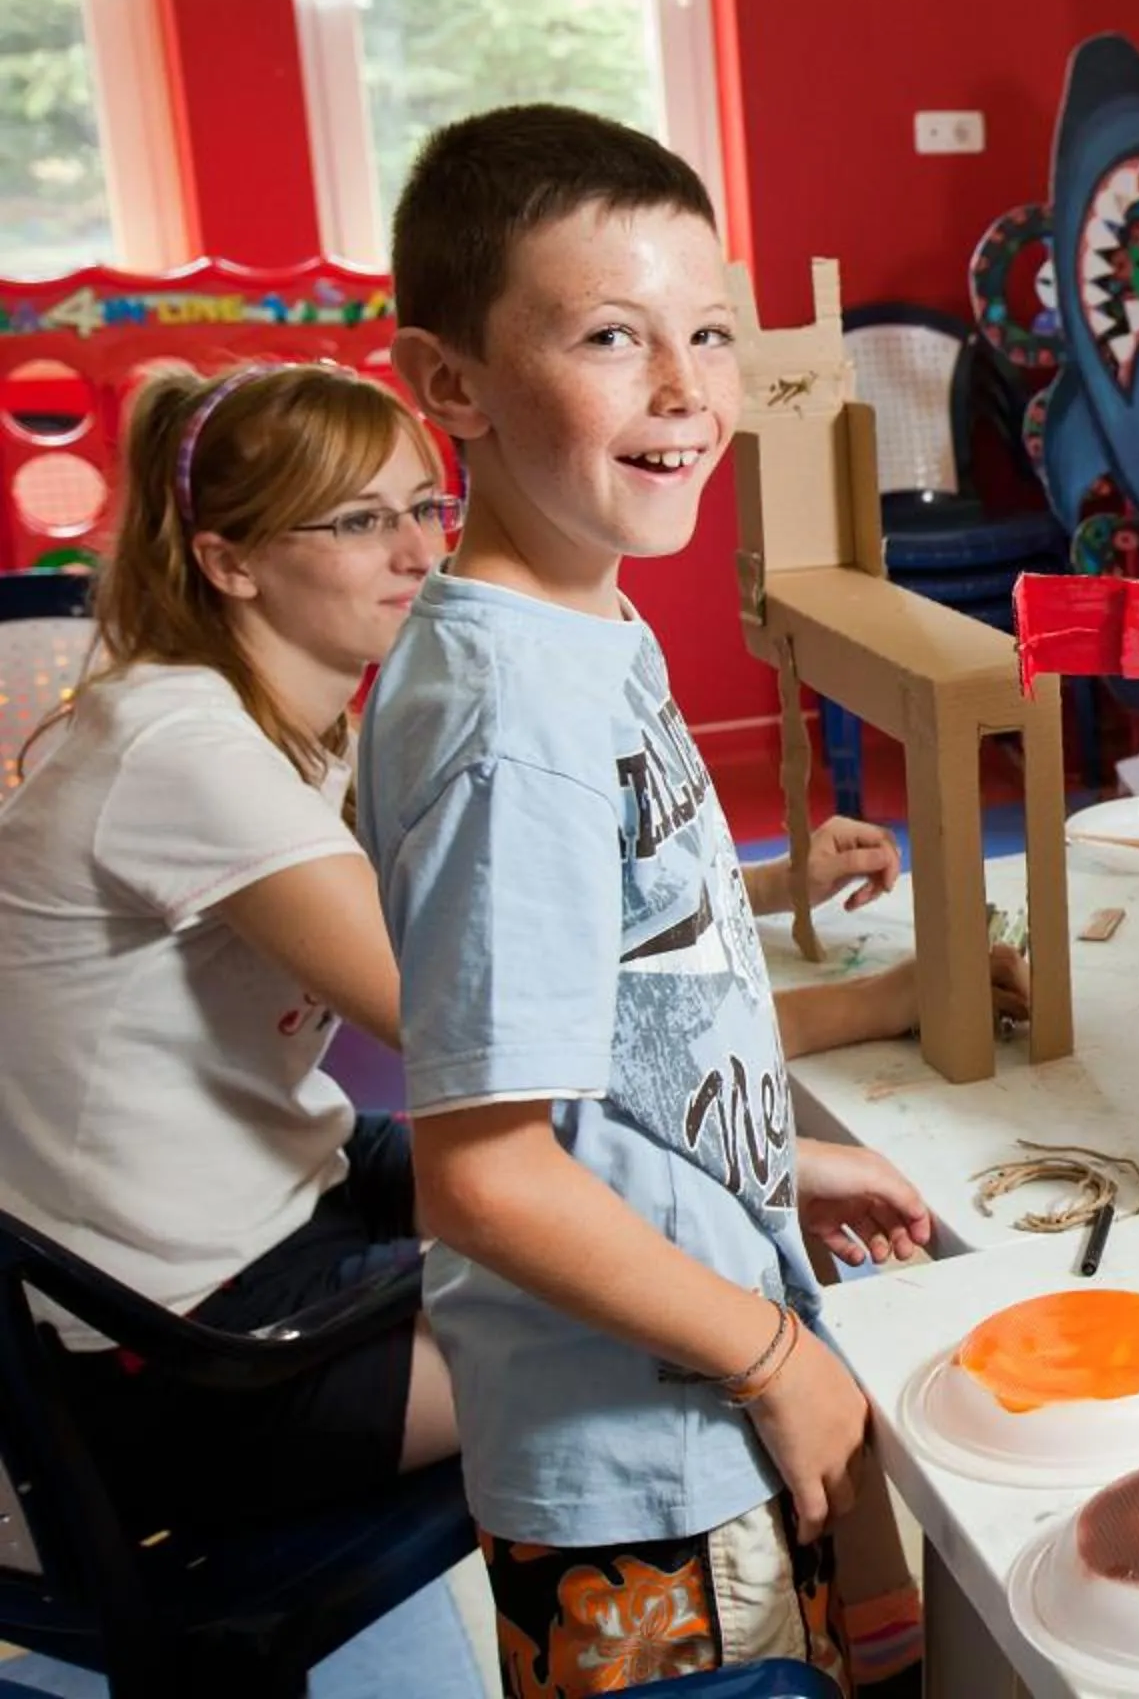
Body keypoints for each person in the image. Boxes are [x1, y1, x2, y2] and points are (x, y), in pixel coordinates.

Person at [358, 104, 932, 1694]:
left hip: (691, 1388)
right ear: (450, 384)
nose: (687, 392)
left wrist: (774, 1162)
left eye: (709, 332)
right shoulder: (508, 717)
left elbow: (618, 1006)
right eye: (612, 337)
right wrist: (769, 1356)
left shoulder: (584, 626)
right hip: (644, 1455)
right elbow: (485, 1181)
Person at [0, 361, 461, 1531]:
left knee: (617, 1187)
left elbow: (463, 914)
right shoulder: (183, 748)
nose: (419, 551)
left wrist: (756, 892)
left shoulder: (293, 720)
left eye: (426, 504)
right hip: (169, 1348)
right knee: (658, 1319)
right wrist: (846, 1011)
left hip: (280, 1187)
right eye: (362, 520)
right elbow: (466, 1019)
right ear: (229, 560)